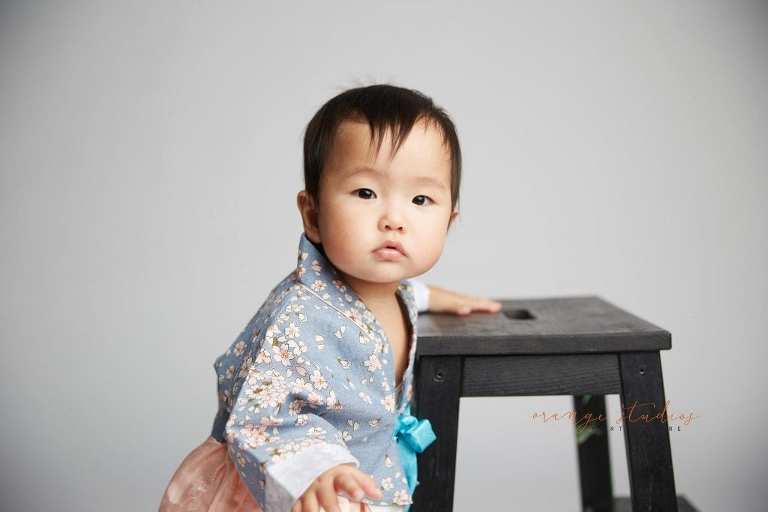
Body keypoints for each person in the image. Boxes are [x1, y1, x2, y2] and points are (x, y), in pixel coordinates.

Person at [159, 84, 501, 512]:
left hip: (365, 480)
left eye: (420, 199)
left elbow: (400, 294)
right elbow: (262, 414)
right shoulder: (300, 316)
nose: (394, 219)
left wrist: (436, 297)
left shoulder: (391, 291)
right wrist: (314, 466)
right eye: (366, 193)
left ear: (449, 221)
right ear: (313, 215)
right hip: (294, 487)